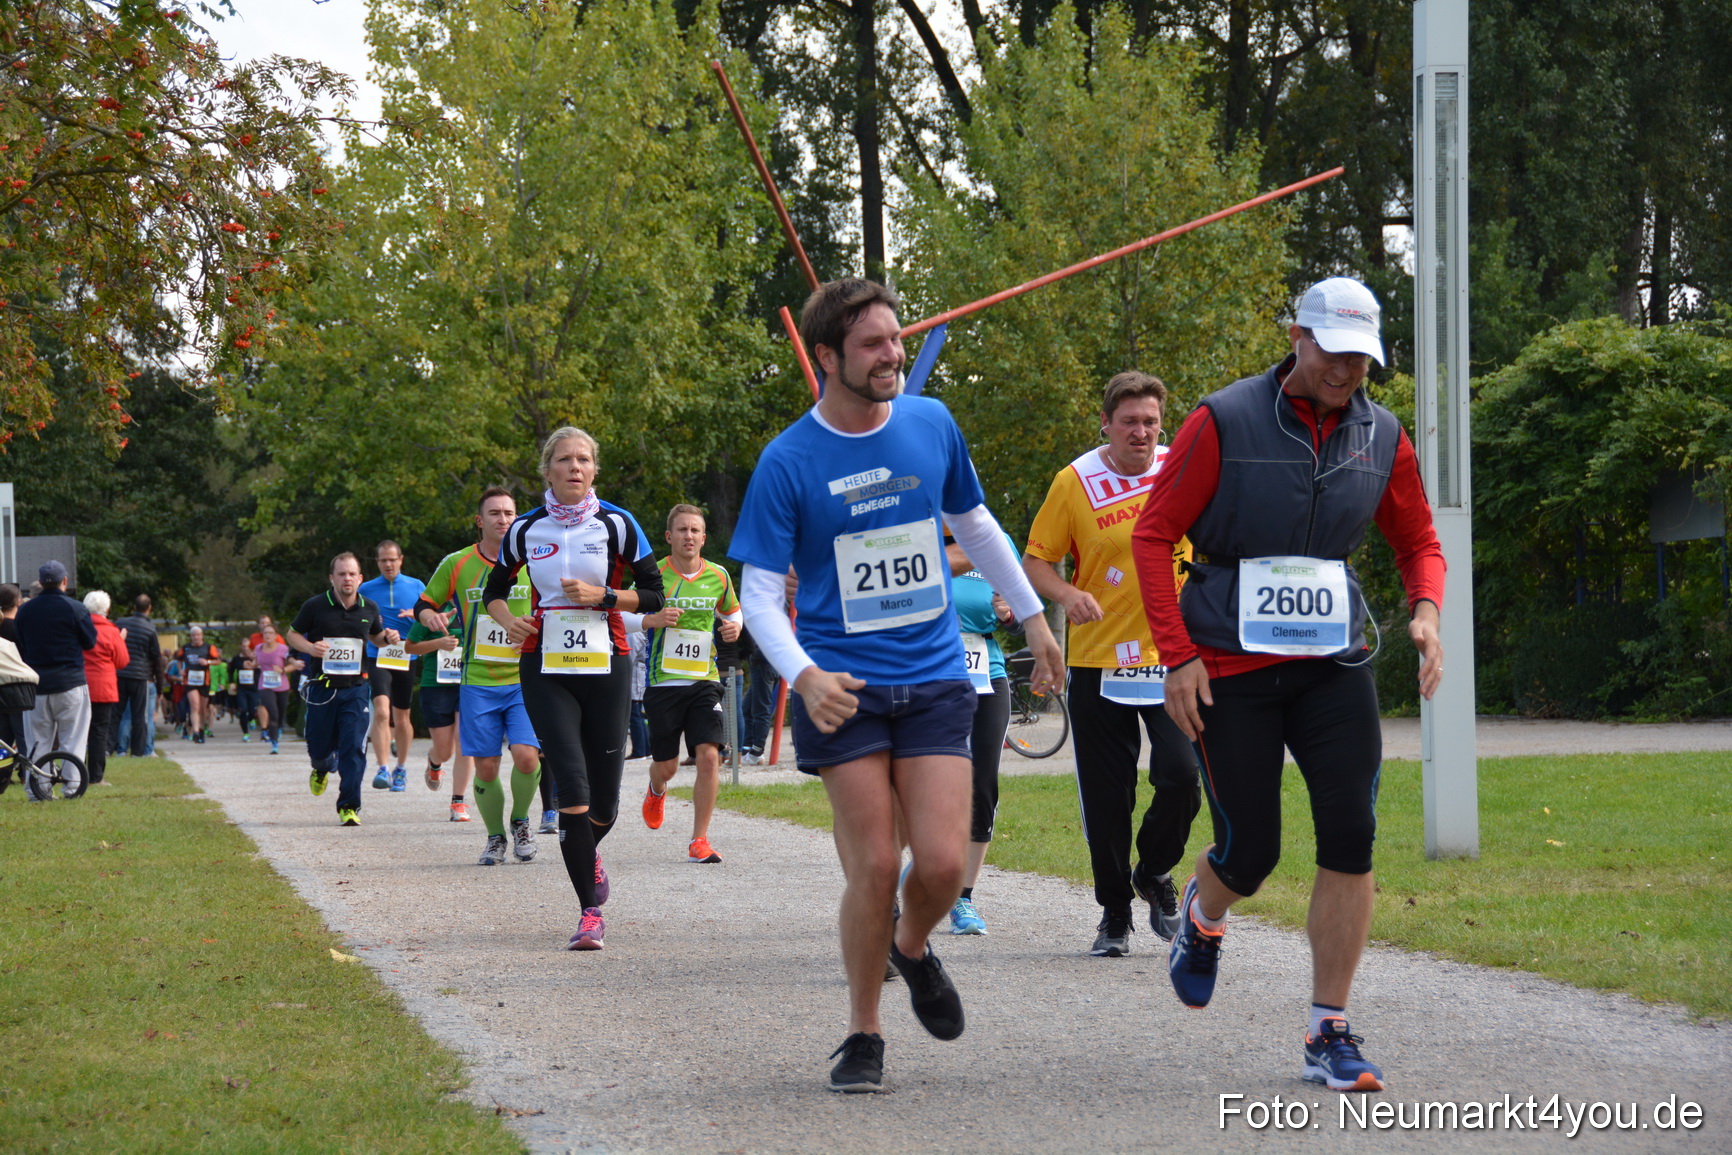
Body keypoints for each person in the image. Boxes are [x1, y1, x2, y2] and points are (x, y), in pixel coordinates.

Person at [729, 277, 1064, 1093]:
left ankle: (911, 948)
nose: (894, 354)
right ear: (828, 357)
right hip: (844, 687)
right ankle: (863, 1031)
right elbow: (759, 595)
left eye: (896, 337)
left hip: (936, 673)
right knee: (876, 865)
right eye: (874, 344)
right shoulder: (788, 461)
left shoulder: (931, 422)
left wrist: (1033, 616)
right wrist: (804, 677)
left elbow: (976, 528)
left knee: (943, 865)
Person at [1133, 276, 1445, 1093]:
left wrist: (1426, 611)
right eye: (1335, 354)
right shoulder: (1222, 419)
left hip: (1331, 663)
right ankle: (1203, 918)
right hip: (1228, 664)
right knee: (1252, 850)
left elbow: (1418, 537)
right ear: (1300, 339)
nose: (1348, 372)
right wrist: (1177, 657)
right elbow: (1154, 534)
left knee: (1352, 830)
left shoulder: (1382, 435)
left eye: (1362, 359)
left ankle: (1328, 1029)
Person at [1022, 371, 1204, 957]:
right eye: (1129, 421)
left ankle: (1152, 871)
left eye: (1151, 421)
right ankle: (1115, 913)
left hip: (1173, 658)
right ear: (1106, 423)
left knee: (1182, 777)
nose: (1142, 432)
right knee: (1108, 798)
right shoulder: (1074, 482)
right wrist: (1068, 595)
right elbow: (1035, 563)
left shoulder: (1182, 468)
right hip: (1100, 662)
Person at [481, 429, 663, 949]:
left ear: (594, 470)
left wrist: (606, 595)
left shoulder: (618, 524)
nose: (575, 467)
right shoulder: (523, 529)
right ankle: (589, 911)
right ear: (548, 470)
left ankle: (589, 849)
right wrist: (509, 620)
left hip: (608, 667)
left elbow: (654, 593)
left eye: (584, 459)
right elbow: (495, 592)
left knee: (604, 804)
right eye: (565, 460)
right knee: (572, 794)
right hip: (545, 665)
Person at [415, 486, 546, 851]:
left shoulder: (536, 560)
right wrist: (431, 617)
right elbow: (424, 604)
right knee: (486, 767)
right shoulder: (457, 563)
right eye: (494, 513)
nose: (503, 519)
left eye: (509, 513)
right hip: (477, 680)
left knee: (526, 756)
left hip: (525, 678)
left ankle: (521, 820)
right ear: (479, 521)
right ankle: (494, 836)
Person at [637, 504, 742, 863]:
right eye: (682, 530)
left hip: (704, 679)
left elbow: (731, 611)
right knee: (666, 765)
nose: (689, 536)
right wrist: (653, 619)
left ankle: (700, 839)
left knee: (709, 756)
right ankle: (656, 788)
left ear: (703, 537)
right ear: (669, 537)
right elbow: (624, 614)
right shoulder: (653, 575)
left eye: (695, 530)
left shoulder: (719, 575)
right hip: (663, 681)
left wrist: (734, 627)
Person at [941, 528, 1021, 935]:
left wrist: (1009, 613)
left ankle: (963, 898)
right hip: (926, 676)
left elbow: (1022, 616)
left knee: (982, 785)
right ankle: (908, 878)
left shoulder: (994, 540)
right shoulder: (910, 534)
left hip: (986, 674)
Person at [288, 552, 402, 826]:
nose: (347, 578)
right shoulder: (315, 606)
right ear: (332, 578)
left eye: (352, 574)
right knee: (318, 749)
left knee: (353, 748)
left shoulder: (369, 607)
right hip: (322, 690)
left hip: (356, 688)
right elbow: (291, 634)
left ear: (360, 578)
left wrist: (388, 638)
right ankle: (321, 768)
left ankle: (349, 806)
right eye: (342, 574)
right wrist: (310, 648)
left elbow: (375, 636)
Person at [15, 561, 96, 770]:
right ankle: (72, 784)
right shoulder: (76, 608)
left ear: (40, 582)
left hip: (36, 685)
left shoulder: (25, 611)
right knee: (73, 739)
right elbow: (90, 642)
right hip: (70, 682)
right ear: (65, 582)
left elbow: (21, 644)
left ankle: (38, 788)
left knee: (37, 741)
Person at [360, 541, 425, 791]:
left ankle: (402, 768)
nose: (388, 564)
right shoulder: (366, 589)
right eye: (383, 560)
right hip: (378, 653)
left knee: (402, 716)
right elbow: (359, 620)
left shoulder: (417, 586)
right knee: (382, 711)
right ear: (377, 563)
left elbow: (432, 616)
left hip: (406, 655)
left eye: (392, 559)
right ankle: (383, 768)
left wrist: (415, 615)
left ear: (401, 559)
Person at [402, 613, 476, 821]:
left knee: (464, 743)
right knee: (444, 752)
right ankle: (434, 762)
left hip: (470, 683)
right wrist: (438, 643)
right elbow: (410, 646)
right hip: (437, 686)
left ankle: (458, 802)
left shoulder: (479, 604)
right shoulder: (432, 611)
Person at [80, 591, 131, 785]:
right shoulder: (111, 631)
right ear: (107, 610)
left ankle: (76, 773)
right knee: (99, 732)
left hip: (80, 685)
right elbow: (122, 661)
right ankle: (96, 777)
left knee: (78, 731)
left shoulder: (78, 628)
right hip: (104, 688)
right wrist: (121, 640)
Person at [113, 594, 159, 757]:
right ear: (149, 608)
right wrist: (159, 685)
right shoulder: (150, 629)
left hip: (120, 673)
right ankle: (138, 751)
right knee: (139, 715)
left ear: (134, 608)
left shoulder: (120, 623)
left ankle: (116, 749)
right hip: (140, 676)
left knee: (119, 714)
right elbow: (156, 658)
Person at [252, 623, 297, 755]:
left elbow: (293, 666)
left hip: (282, 686)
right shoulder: (258, 648)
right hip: (265, 685)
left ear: (276, 635)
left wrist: (282, 670)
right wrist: (249, 665)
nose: (268, 635)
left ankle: (278, 729)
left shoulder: (283, 649)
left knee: (280, 714)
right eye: (265, 633)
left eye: (270, 633)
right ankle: (274, 743)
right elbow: (255, 663)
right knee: (273, 713)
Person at [736, 624, 778, 765]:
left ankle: (757, 752)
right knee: (746, 708)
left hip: (764, 663)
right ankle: (748, 748)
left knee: (761, 708)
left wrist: (752, 654)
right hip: (760, 662)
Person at [180, 625, 219, 744]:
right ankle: (195, 732)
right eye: (193, 635)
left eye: (198, 635)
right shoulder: (186, 647)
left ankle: (201, 730)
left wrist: (207, 662)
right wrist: (181, 670)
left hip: (204, 681)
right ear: (190, 637)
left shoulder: (208, 647)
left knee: (202, 709)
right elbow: (178, 659)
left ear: (202, 636)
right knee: (195, 706)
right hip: (190, 681)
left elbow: (218, 660)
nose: (196, 637)